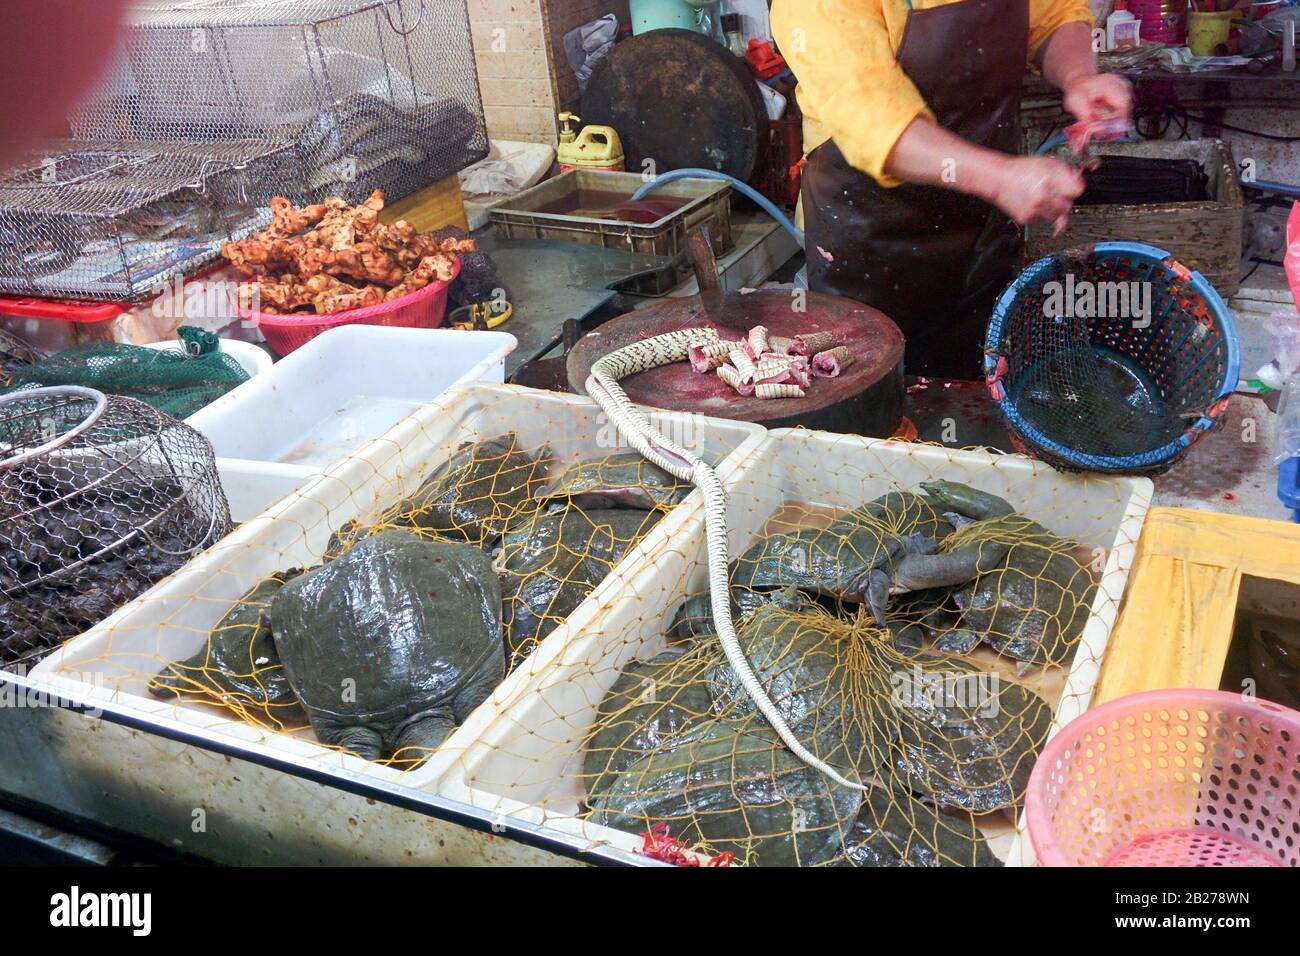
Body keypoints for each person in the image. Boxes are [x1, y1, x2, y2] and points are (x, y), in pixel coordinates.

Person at [772, 0, 1133, 379]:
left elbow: (1054, 15)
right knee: (870, 412)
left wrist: (1079, 76)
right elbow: (876, 125)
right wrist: (1001, 179)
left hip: (982, 240)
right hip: (867, 249)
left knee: (978, 396)